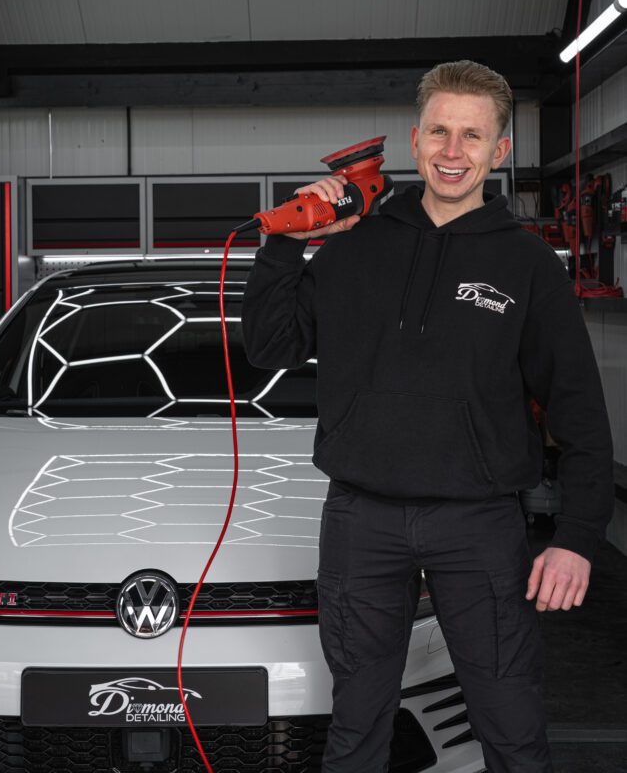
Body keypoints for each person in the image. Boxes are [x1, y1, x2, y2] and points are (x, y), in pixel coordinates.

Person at [240, 60, 615, 773]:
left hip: (479, 523)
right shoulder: (352, 247)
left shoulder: (528, 265)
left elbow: (580, 412)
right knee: (355, 727)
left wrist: (576, 538)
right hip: (361, 519)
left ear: (499, 150)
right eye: (439, 132)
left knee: (510, 722)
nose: (452, 151)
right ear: (414, 141)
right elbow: (269, 346)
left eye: (472, 136)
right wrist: (286, 240)